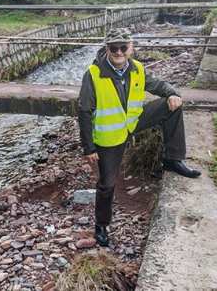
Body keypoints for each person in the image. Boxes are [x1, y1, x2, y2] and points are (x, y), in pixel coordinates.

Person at [78, 28, 201, 247]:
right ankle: (101, 224)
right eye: (113, 47)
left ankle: (172, 158)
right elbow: (84, 112)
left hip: (133, 123)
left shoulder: (137, 69)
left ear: (131, 47)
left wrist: (172, 92)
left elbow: (158, 85)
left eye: (123, 47)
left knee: (172, 105)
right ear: (107, 49)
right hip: (110, 137)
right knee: (106, 184)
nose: (118, 52)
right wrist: (89, 148)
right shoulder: (93, 74)